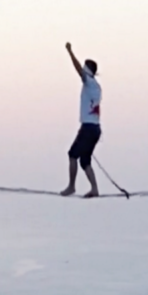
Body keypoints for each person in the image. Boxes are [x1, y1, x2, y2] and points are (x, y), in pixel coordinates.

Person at [60, 42, 102, 198]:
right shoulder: (96, 86)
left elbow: (79, 71)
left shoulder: (89, 82)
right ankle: (95, 189)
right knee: (85, 161)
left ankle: (71, 186)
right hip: (95, 129)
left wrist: (70, 52)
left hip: (88, 128)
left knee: (72, 154)